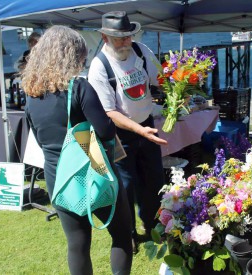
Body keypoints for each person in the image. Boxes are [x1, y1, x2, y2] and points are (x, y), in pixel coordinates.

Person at [21, 25, 132, 275]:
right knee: (122, 235)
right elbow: (105, 132)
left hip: (57, 176)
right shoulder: (79, 87)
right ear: (73, 55)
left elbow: (39, 139)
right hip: (95, 170)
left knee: (78, 244)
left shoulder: (31, 94)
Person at [88, 11, 168, 252]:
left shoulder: (141, 50)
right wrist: (139, 130)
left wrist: (181, 81)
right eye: (119, 38)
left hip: (147, 125)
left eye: (128, 37)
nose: (126, 42)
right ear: (104, 37)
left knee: (154, 179)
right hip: (121, 135)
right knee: (125, 185)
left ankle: (152, 224)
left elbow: (160, 79)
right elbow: (109, 112)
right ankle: (129, 233)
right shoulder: (99, 67)